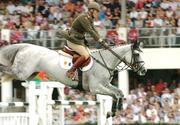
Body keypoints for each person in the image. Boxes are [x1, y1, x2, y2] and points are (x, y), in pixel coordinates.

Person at [59, 2, 103, 79]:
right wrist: (99, 40)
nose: (97, 14)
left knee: (90, 53)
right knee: (86, 55)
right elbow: (90, 31)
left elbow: (94, 30)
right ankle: (71, 71)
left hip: (79, 40)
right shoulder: (84, 17)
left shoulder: (90, 18)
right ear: (91, 10)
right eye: (96, 11)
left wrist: (102, 40)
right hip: (73, 40)